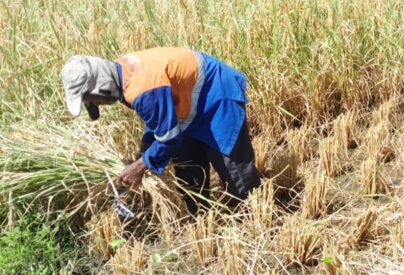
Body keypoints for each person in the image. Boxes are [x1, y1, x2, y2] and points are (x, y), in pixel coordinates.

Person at [61, 47, 260, 214]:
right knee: (188, 170)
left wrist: (140, 167)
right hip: (187, 107)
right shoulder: (122, 74)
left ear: (101, 87)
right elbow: (159, 121)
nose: (96, 104)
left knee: (236, 173)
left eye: (91, 99)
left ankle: (252, 220)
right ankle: (199, 217)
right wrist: (142, 156)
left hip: (216, 96)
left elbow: (168, 138)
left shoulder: (142, 88)